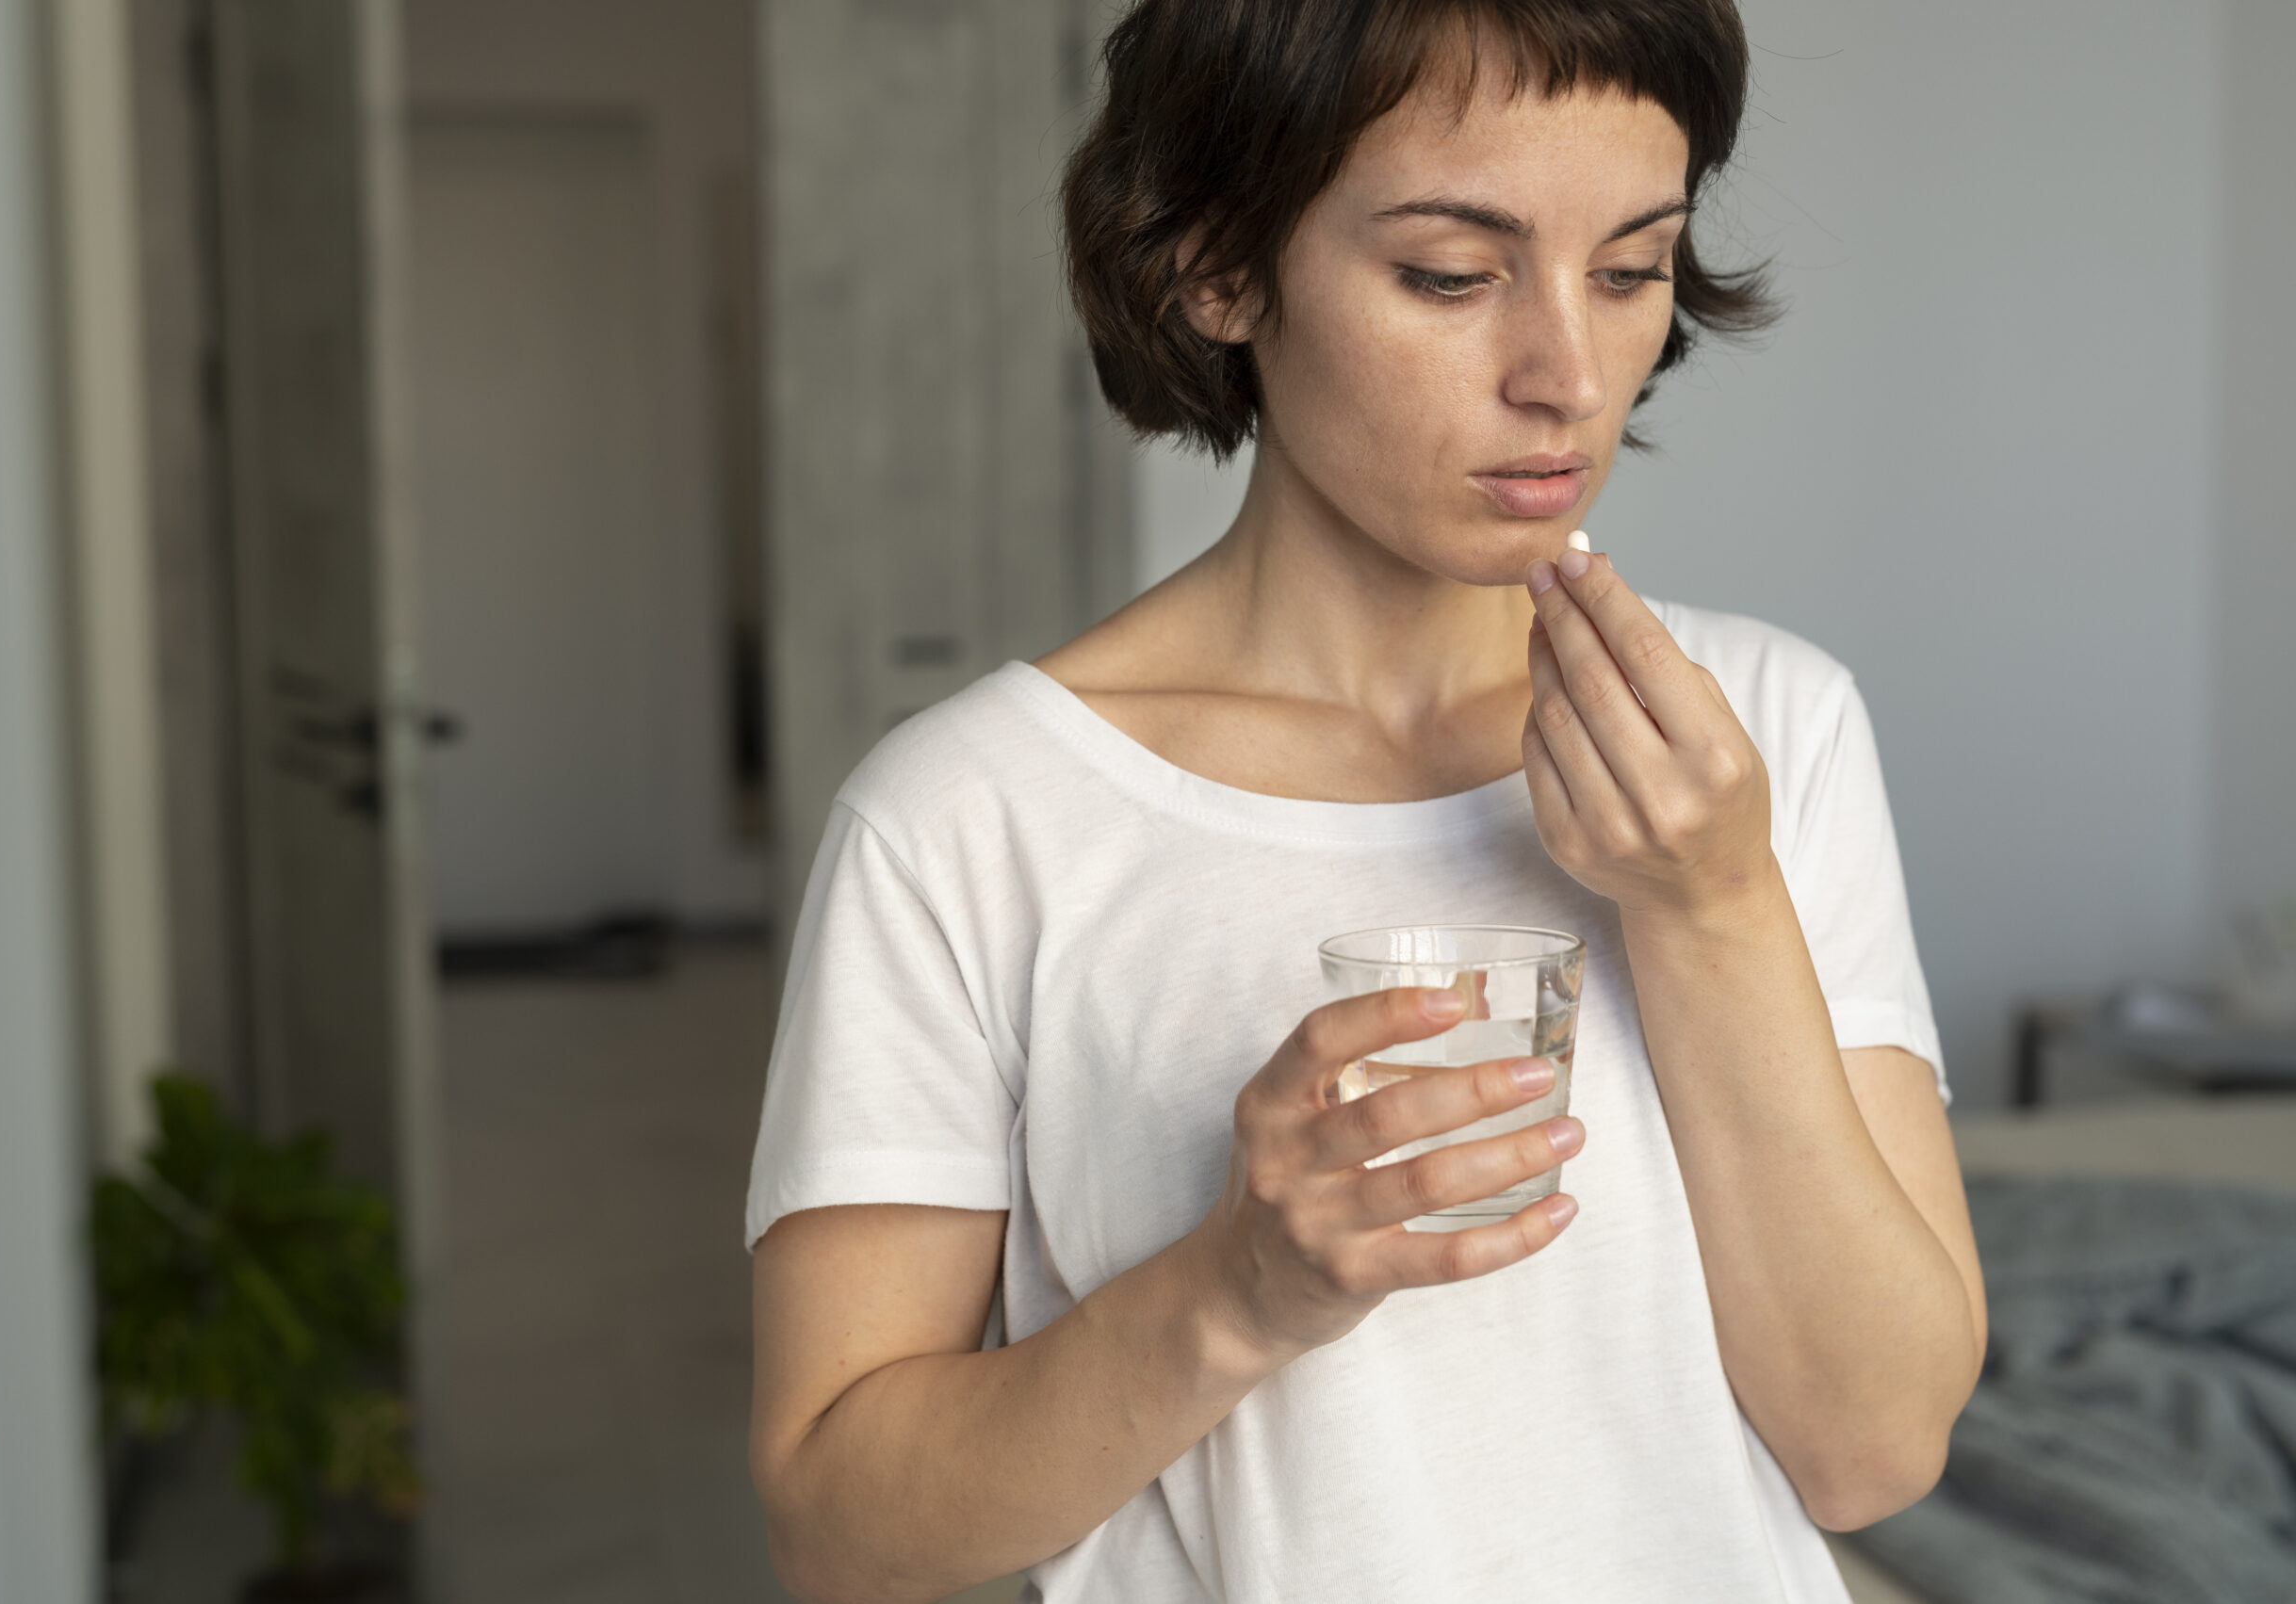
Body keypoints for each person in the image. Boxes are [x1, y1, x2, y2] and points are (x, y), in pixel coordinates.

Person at [745, 2, 1987, 1599]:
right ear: (1218, 265)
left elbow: (1874, 1450)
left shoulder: (1762, 734)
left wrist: (1711, 905)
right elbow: (839, 1535)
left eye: (1628, 270)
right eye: (1452, 276)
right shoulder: (969, 820)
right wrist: (1239, 1286)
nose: (1567, 377)